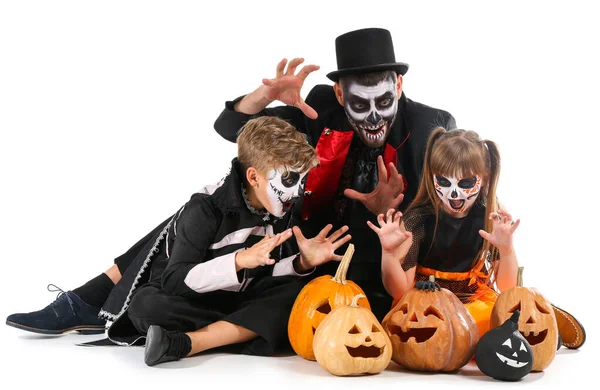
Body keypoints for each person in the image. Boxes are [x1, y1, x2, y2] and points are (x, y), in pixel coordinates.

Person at [8, 117, 353, 367]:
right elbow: (175, 281)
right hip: (197, 303)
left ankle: (187, 344)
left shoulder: (280, 207)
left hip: (238, 304)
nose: (297, 189)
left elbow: (262, 275)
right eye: (290, 179)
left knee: (295, 293)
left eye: (302, 178)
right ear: (253, 176)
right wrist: (237, 262)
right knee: (146, 305)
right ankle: (227, 334)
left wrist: (301, 262)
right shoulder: (204, 208)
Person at [213, 27, 456, 321]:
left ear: (399, 86)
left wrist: (393, 213)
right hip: (313, 255)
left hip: (390, 268)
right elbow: (231, 129)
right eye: (359, 104)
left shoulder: (431, 127)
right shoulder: (320, 110)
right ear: (340, 95)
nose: (374, 118)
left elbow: (450, 209)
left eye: (383, 102)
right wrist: (265, 95)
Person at [368, 128, 586, 348]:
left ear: (484, 179)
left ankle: (538, 319)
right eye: (444, 182)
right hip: (425, 296)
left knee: (485, 324)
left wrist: (507, 250)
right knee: (421, 329)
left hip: (472, 298)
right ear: (431, 175)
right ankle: (528, 323)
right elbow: (399, 291)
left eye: (465, 183)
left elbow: (508, 287)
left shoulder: (491, 218)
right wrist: (389, 255)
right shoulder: (416, 221)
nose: (454, 193)